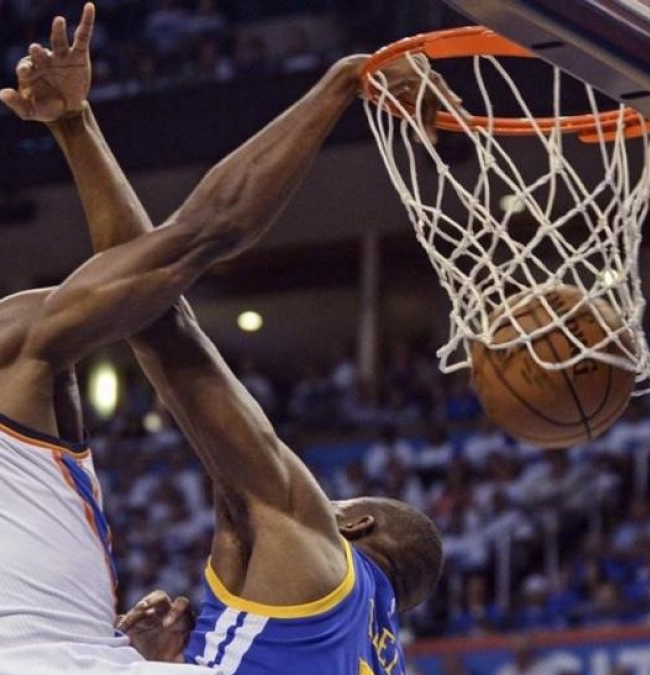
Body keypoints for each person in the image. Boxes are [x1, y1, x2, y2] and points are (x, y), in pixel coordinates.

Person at [0, 3, 433, 673]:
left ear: (356, 526)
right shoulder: (370, 643)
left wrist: (343, 81)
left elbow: (163, 309)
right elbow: (175, 265)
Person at [67, 45, 454, 675]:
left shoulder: (319, 555)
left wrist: (74, 128)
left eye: (330, 501)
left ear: (351, 525)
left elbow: (156, 311)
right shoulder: (381, 658)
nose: (313, 498)